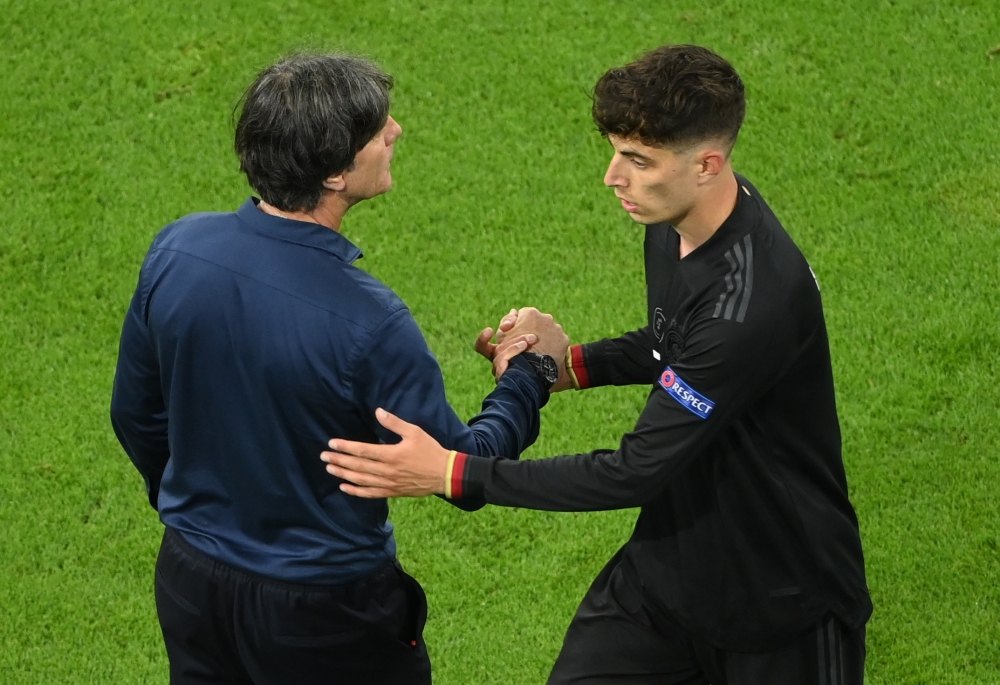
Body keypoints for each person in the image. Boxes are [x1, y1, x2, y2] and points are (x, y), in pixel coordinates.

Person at [321, 45, 872, 684]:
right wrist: (568, 364)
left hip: (781, 599)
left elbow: (631, 472)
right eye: (616, 150)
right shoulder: (677, 218)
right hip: (666, 575)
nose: (614, 176)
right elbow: (674, 343)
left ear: (707, 164)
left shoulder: (750, 304)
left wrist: (453, 471)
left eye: (637, 160)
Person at [110, 53, 565, 685]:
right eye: (377, 128)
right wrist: (528, 376)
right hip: (327, 613)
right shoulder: (371, 323)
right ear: (332, 173)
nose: (396, 131)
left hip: (191, 581)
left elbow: (134, 413)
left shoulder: (177, 249)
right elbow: (460, 471)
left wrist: (198, 513)